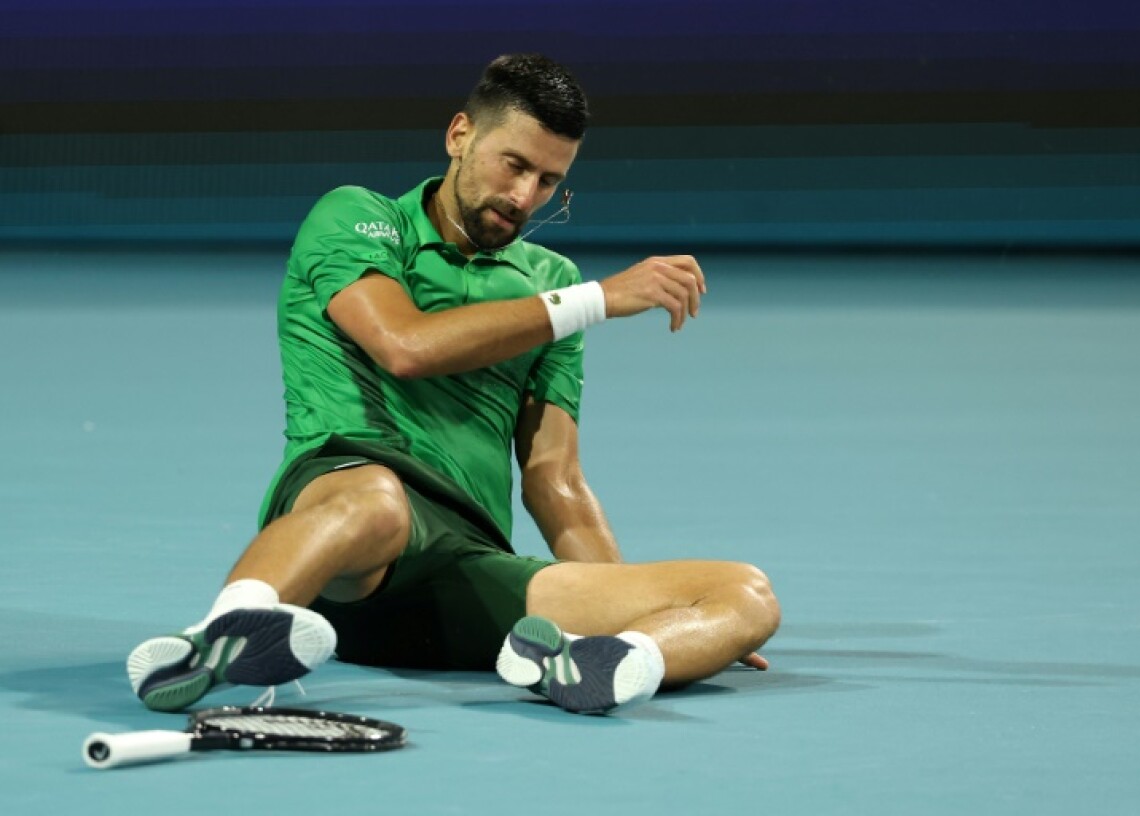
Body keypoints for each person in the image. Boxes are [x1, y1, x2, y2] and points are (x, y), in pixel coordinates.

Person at [126, 53, 780, 716]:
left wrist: (644, 614)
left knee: (746, 594)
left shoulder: (551, 279)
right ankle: (226, 631)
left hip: (462, 575)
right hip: (342, 553)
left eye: (549, 181)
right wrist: (594, 299)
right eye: (514, 165)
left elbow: (554, 479)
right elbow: (404, 346)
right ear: (459, 135)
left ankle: (615, 662)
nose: (524, 197)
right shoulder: (357, 217)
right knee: (380, 503)